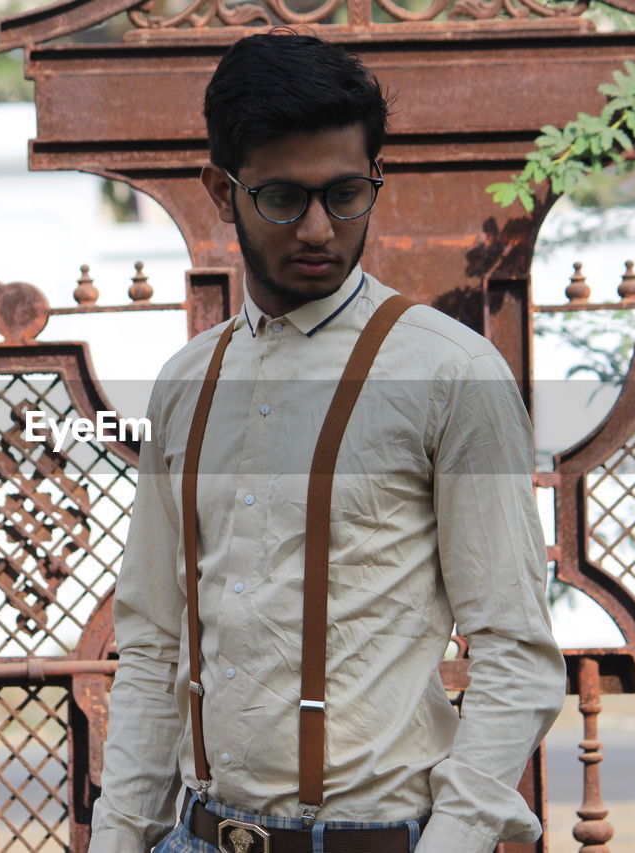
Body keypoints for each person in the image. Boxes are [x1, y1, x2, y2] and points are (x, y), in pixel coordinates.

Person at [90, 31, 566, 853]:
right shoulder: (187, 382)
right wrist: (118, 839)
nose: (318, 228)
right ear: (220, 188)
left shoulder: (451, 373)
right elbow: (153, 646)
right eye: (282, 198)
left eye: (346, 194)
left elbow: (514, 654)